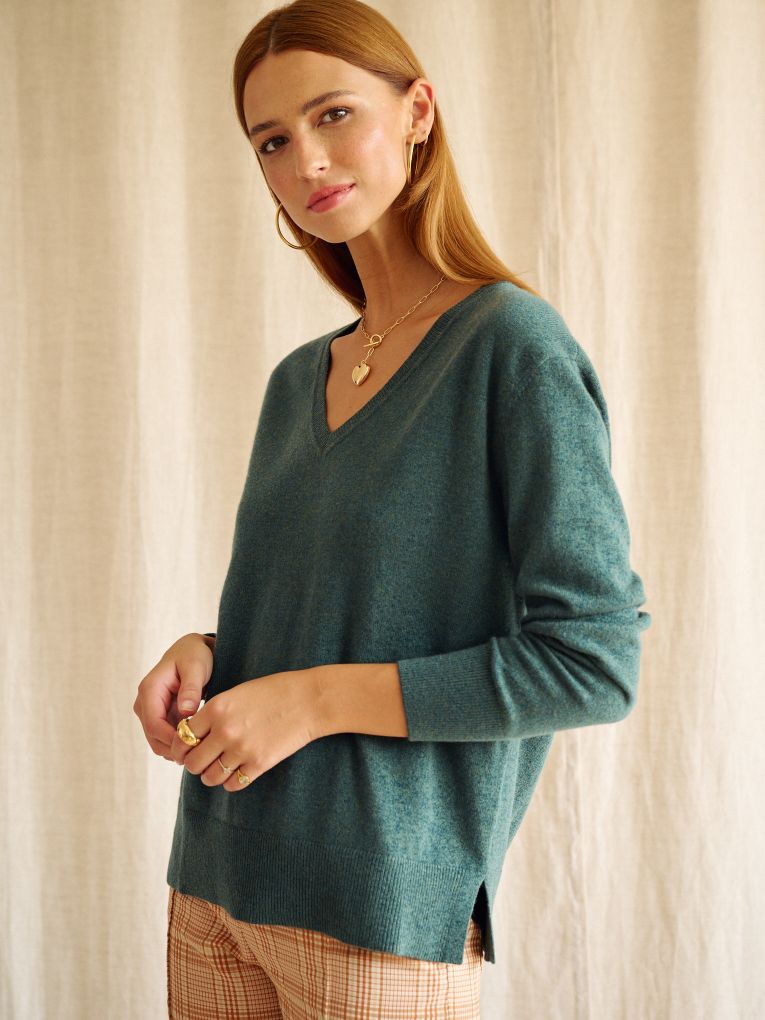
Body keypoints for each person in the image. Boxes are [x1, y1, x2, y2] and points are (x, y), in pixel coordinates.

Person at [133, 1, 652, 1016]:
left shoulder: (512, 349)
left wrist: (314, 700)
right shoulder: (299, 379)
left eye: (333, 115)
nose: (307, 161)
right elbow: (357, 602)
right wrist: (213, 650)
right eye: (272, 141)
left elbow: (592, 663)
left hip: (379, 912)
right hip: (214, 882)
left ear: (417, 112)